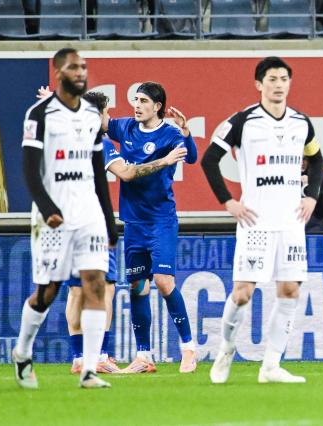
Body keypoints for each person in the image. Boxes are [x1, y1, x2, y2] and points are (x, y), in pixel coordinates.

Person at [40, 90, 186, 375]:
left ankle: (79, 357)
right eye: (105, 113)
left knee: (75, 291)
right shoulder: (99, 142)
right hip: (85, 220)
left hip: (57, 217)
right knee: (103, 287)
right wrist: (166, 161)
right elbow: (128, 174)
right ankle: (100, 355)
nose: (108, 120)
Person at [201, 56, 323, 383]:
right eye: (272, 79)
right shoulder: (242, 121)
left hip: (290, 221)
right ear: (259, 84)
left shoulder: (302, 122)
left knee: (290, 290)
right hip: (255, 220)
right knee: (242, 293)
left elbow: (317, 159)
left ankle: (271, 365)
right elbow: (209, 160)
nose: (279, 84)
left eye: (284, 78)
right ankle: (225, 350)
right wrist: (227, 201)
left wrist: (311, 195)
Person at [12, 48, 118, 389]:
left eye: (84, 67)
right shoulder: (40, 114)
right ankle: (23, 353)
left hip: (88, 212)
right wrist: (46, 208)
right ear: (58, 72)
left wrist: (108, 218)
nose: (81, 72)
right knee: (48, 290)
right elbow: (29, 168)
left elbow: (98, 173)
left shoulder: (91, 114)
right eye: (74, 68)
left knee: (95, 283)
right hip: (53, 214)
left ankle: (88, 370)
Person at [105, 82, 198, 374]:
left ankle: (188, 350)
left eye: (143, 100)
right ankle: (144, 356)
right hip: (133, 221)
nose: (137, 105)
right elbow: (101, 121)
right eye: (135, 99)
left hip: (160, 219)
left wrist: (186, 134)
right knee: (137, 286)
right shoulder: (126, 128)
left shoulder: (169, 133)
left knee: (163, 281)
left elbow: (192, 157)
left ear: (157, 106)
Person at [301, 156, 323, 233]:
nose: (301, 163)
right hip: (288, 230)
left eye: (304, 159)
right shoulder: (282, 176)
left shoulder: (318, 175)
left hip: (313, 232)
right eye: (298, 158)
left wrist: (313, 189)